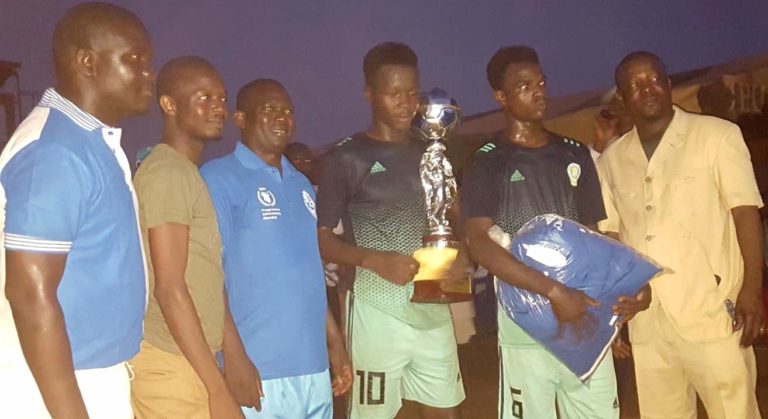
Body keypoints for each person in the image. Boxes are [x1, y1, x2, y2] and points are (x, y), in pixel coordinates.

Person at [462, 46, 648, 418]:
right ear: (501, 96)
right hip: (525, 326)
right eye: (525, 86)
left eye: (542, 82)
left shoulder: (574, 154)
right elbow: (478, 243)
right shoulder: (487, 160)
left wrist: (628, 286)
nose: (539, 91)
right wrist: (553, 291)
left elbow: (595, 236)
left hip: (584, 322)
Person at [0, 3, 153, 417]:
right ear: (87, 62)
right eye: (134, 59)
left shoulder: (89, 141)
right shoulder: (55, 151)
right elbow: (29, 295)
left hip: (88, 377)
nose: (148, 73)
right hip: (53, 388)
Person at [597, 51, 764, 419]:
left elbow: (746, 214)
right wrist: (615, 310)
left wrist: (752, 289)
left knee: (734, 411)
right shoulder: (612, 159)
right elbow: (612, 236)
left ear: (669, 84)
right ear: (622, 99)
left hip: (713, 310)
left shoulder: (717, 136)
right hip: (646, 320)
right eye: (635, 85)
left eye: (654, 79)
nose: (648, 89)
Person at [316, 42, 466, 419]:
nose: (405, 103)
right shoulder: (347, 157)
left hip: (433, 307)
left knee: (446, 413)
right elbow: (321, 239)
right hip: (375, 310)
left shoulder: (431, 151)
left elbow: (455, 216)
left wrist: (462, 253)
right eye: (393, 93)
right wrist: (373, 260)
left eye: (412, 92)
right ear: (369, 94)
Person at [201, 79, 352, 419]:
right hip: (258, 369)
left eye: (288, 110)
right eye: (269, 109)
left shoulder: (301, 184)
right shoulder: (219, 178)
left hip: (313, 366)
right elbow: (208, 277)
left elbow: (309, 270)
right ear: (241, 119)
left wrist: (334, 342)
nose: (282, 117)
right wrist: (234, 357)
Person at [130, 56, 255, 419]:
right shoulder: (168, 173)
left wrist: (231, 352)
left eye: (222, 97)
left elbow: (203, 277)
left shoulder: (185, 172)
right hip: (171, 365)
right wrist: (218, 391)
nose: (218, 107)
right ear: (169, 105)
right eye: (204, 97)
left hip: (189, 361)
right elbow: (170, 289)